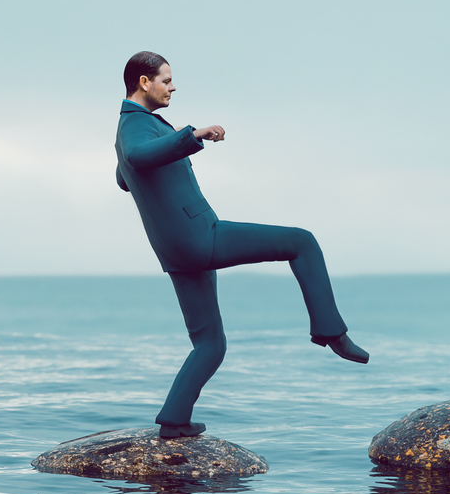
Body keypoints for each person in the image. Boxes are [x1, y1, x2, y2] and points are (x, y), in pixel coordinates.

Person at [114, 50, 368, 439]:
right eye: (166, 80)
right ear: (144, 83)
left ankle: (174, 420)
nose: (173, 86)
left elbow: (124, 173)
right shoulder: (135, 126)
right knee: (301, 241)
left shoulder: (134, 127)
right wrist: (192, 134)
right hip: (199, 237)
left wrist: (142, 167)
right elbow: (136, 155)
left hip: (176, 252)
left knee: (210, 344)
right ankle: (330, 331)